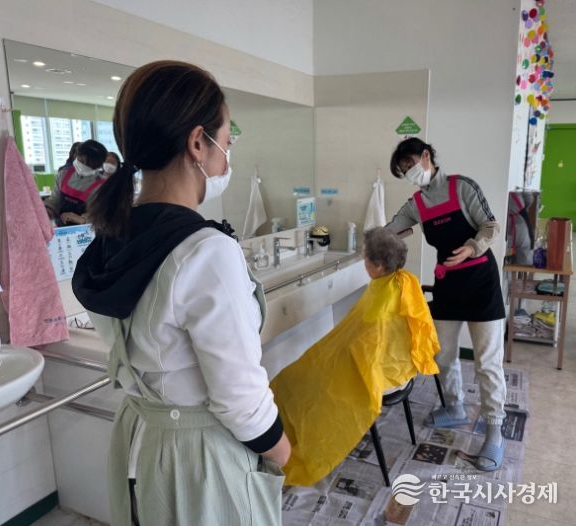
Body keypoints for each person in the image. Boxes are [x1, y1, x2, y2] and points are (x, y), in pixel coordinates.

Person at [72, 61, 290, 526]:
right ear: (197, 143)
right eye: (226, 142)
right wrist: (282, 450)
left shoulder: (112, 237)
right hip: (197, 460)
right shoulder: (206, 252)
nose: (226, 157)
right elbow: (240, 399)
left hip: (138, 440)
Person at [270, 228, 439, 486]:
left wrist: (332, 357)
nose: (363, 261)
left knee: (296, 380)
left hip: (382, 372)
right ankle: (286, 434)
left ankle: (297, 444)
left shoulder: (381, 304)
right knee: (302, 371)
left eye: (365, 257)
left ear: (378, 266)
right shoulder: (404, 281)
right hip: (399, 364)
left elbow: (367, 352)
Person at [385, 137, 507, 472]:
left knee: (487, 361)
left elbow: (490, 225)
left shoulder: (461, 187)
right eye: (404, 170)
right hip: (449, 285)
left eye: (410, 165)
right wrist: (373, 240)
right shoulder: (417, 203)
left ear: (426, 156)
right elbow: (392, 228)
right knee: (444, 354)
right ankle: (454, 407)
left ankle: (494, 431)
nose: (409, 173)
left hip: (481, 283)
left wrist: (472, 247)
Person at [44, 139, 108, 226]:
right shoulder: (63, 175)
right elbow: (54, 201)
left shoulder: (102, 185)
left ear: (97, 165)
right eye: (80, 160)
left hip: (87, 229)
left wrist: (81, 219)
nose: (82, 165)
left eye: (87, 164)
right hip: (61, 226)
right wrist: (48, 210)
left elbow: (100, 213)